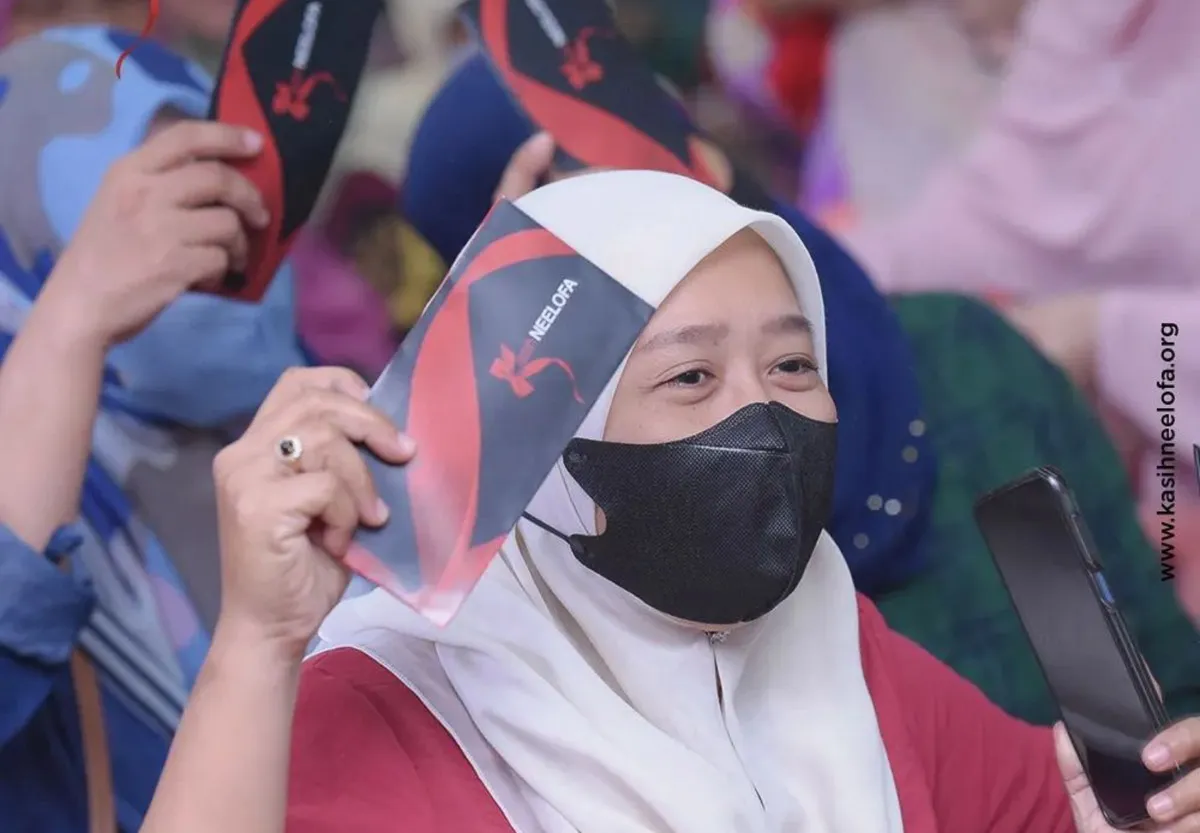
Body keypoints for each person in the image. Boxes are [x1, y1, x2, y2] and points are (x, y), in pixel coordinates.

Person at [133, 169, 1200, 833]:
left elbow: (1032, 807)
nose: (768, 421)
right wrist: (259, 641)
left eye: (793, 368)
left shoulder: (831, 644)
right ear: (544, 448)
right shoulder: (385, 713)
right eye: (690, 377)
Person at [398, 50, 1200, 725]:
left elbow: (1166, 676)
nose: (765, 415)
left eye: (791, 365)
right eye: (575, 216)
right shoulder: (538, 589)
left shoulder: (965, 358)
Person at [0, 26, 304, 832]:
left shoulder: (298, 407)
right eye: (156, 205)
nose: (214, 243)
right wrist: (74, 322)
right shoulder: (29, 440)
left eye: (234, 193)